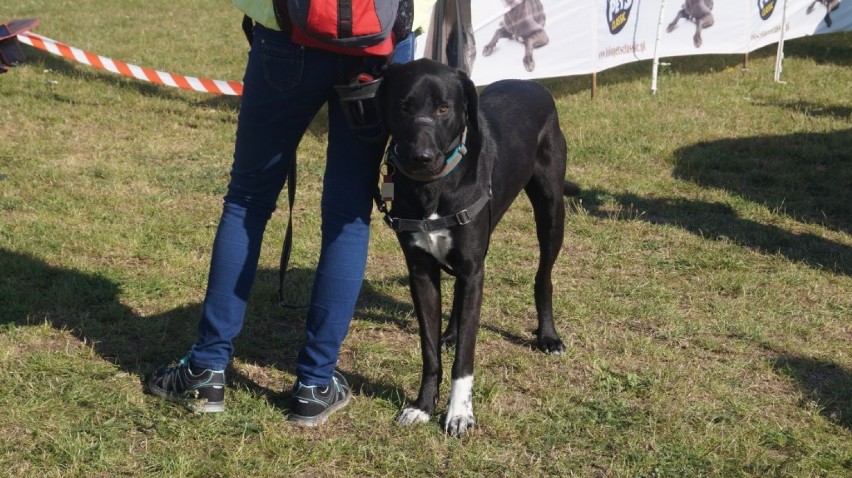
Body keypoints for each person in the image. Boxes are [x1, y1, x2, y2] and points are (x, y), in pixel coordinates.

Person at [145, 0, 415, 427]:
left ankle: (206, 369)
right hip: (380, 42)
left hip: (285, 32)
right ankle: (314, 385)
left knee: (247, 201)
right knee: (348, 215)